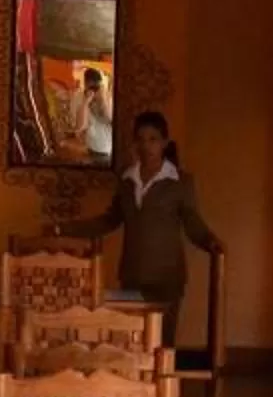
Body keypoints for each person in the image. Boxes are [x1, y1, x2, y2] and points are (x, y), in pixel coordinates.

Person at [58, 109, 222, 346]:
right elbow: (110, 220)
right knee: (133, 341)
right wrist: (66, 229)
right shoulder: (127, 180)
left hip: (166, 276)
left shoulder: (179, 181)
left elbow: (192, 222)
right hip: (133, 274)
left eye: (153, 139)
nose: (146, 146)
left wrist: (210, 241)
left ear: (164, 142)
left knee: (162, 344)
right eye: (141, 140)